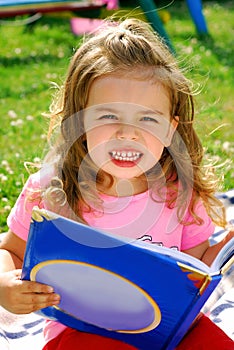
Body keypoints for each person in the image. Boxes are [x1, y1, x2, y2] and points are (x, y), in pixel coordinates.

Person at [0, 18, 233, 350]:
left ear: (170, 130)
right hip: (84, 331)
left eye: (147, 119)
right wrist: (5, 286)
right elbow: (9, 250)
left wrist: (222, 252)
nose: (128, 133)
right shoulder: (52, 190)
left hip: (167, 332)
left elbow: (193, 269)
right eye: (108, 116)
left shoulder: (180, 192)